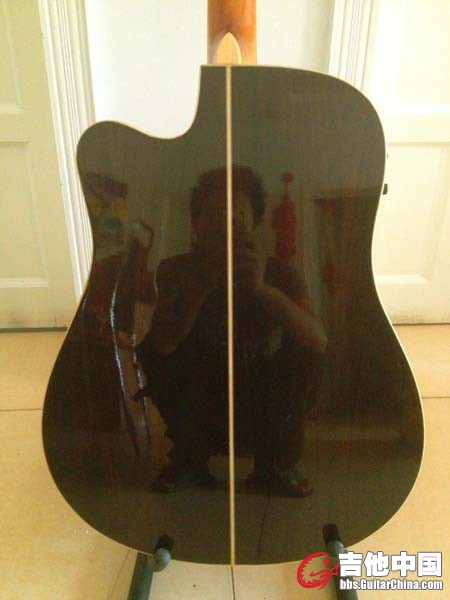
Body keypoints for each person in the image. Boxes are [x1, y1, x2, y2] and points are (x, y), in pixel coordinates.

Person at [137, 166, 327, 496]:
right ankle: (190, 461)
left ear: (253, 222)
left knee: (307, 350)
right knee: (152, 350)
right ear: (196, 223)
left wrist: (261, 289)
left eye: (237, 216)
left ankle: (276, 466)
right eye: (215, 216)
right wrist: (204, 280)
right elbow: (162, 346)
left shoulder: (280, 272)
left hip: (261, 398)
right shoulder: (176, 269)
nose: (225, 226)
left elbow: (318, 340)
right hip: (199, 395)